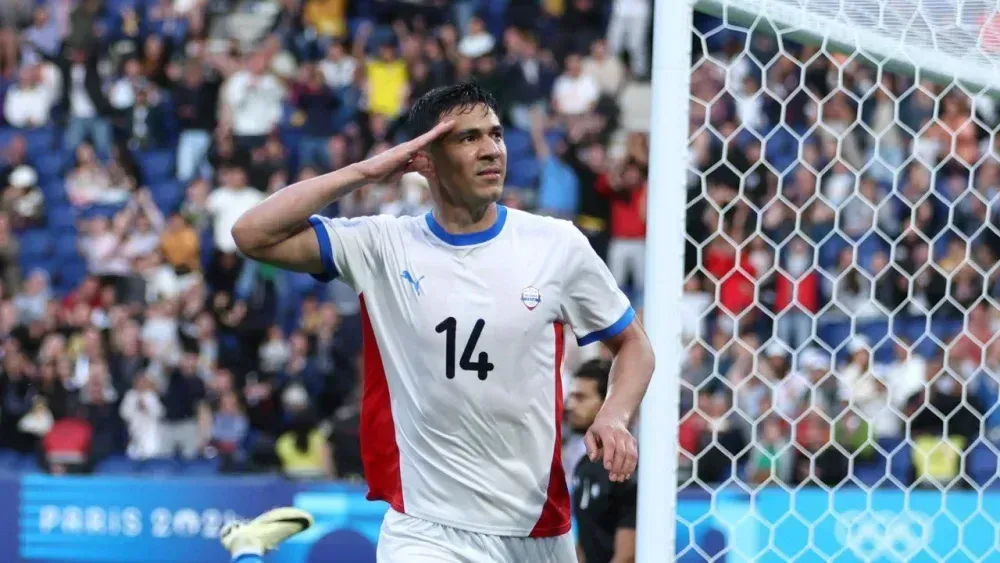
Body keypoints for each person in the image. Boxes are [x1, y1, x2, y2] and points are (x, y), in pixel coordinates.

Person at [229, 82, 655, 562]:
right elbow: (252, 234)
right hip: (427, 529)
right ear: (424, 159)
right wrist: (366, 172)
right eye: (468, 137)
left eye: (495, 134)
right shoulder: (382, 245)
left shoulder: (557, 245)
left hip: (535, 530)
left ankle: (248, 553)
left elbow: (634, 345)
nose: (492, 150)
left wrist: (614, 415)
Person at [566, 359, 637, 563]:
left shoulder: (627, 467)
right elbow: (584, 543)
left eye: (580, 398)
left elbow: (627, 556)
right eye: (571, 397)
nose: (570, 406)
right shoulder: (584, 466)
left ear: (606, 405)